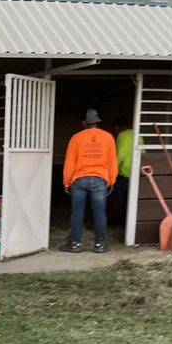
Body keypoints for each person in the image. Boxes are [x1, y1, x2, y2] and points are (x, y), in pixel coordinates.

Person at [60, 108, 118, 253]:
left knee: (77, 212)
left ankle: (74, 244)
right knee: (99, 212)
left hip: (79, 180)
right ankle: (100, 245)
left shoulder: (76, 138)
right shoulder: (108, 137)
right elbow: (112, 161)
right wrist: (112, 180)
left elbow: (70, 162)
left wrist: (66, 182)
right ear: (97, 122)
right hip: (100, 179)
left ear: (84, 122)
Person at [111, 116, 134, 225]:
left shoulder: (121, 135)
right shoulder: (137, 134)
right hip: (135, 173)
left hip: (124, 174)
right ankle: (129, 222)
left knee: (119, 199)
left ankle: (119, 222)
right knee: (131, 200)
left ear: (117, 127)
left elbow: (119, 156)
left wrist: (112, 173)